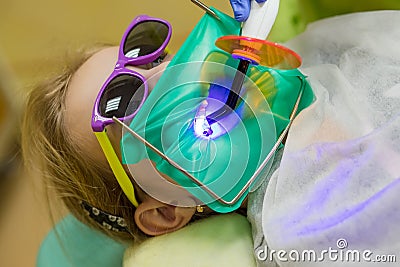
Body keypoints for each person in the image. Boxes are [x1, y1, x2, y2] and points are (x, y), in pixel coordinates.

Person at [22, 0, 274, 244]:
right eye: (127, 102)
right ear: (166, 210)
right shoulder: (286, 226)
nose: (167, 71)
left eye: (151, 58)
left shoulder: (282, 73)